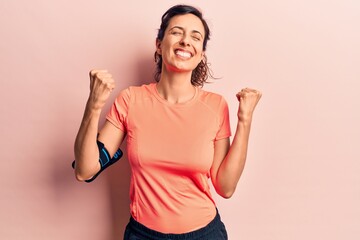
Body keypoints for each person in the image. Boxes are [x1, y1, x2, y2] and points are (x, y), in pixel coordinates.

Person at [74, 4, 262, 240]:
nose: (185, 41)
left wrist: (245, 119)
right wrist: (93, 105)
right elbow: (84, 170)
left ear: (201, 53)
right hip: (143, 235)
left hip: (205, 234)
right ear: (159, 44)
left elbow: (226, 187)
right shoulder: (131, 100)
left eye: (196, 37)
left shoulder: (215, 106)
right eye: (176, 32)